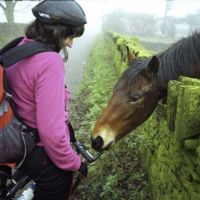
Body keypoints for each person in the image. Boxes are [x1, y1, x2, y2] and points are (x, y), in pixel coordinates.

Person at [3, 0, 88, 199]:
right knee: (59, 180)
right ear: (57, 32)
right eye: (69, 35)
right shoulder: (50, 62)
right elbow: (51, 132)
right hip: (27, 143)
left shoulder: (20, 46)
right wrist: (75, 163)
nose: (70, 43)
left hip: (10, 132)